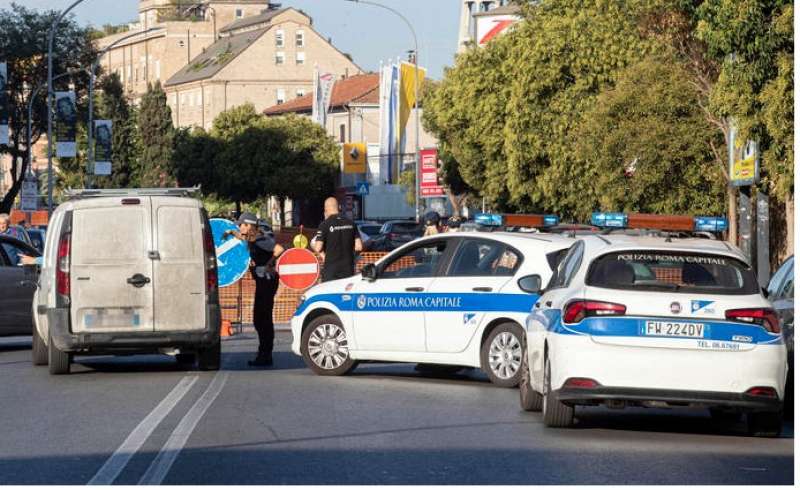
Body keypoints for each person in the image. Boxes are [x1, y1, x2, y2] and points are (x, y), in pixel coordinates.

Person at [226, 212, 285, 367]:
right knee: (260, 319)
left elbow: (279, 249)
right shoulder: (253, 238)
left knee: (262, 319)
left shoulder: (260, 239)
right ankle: (264, 354)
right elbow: (244, 238)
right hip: (263, 282)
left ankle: (265, 355)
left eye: (241, 225)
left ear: (249, 225)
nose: (240, 227)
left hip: (267, 281)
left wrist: (268, 264)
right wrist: (232, 233)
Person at [313, 197, 363, 282]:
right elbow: (359, 247)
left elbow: (318, 247)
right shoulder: (351, 223)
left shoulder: (324, 225)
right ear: (339, 207)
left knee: (330, 294)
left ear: (325, 209)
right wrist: (351, 256)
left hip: (331, 271)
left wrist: (323, 256)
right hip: (348, 269)